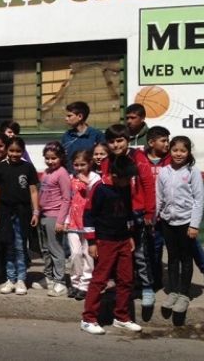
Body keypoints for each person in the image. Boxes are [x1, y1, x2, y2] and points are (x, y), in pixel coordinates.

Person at [81, 156, 142, 335]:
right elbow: (89, 216)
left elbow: (128, 212)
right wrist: (92, 242)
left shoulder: (125, 187)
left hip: (123, 240)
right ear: (114, 175)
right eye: (125, 178)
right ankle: (88, 318)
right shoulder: (100, 189)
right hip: (105, 241)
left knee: (126, 279)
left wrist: (130, 235)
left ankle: (122, 317)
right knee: (100, 279)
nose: (128, 182)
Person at [100, 124, 157, 310]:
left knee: (140, 253)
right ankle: (126, 286)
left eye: (120, 140)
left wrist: (149, 211)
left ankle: (147, 287)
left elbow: (148, 184)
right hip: (118, 215)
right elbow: (107, 188)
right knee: (122, 255)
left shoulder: (137, 157)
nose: (116, 145)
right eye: (111, 141)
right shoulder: (106, 162)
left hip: (138, 213)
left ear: (127, 140)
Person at [156, 136, 204, 320]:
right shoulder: (164, 172)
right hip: (168, 222)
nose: (178, 154)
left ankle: (184, 294)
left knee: (186, 258)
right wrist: (156, 218)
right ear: (170, 151)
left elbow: (199, 200)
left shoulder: (193, 172)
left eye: (182, 151)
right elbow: (159, 197)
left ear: (188, 152)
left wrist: (194, 225)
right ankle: (173, 292)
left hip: (186, 223)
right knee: (172, 257)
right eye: (175, 150)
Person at [0, 136, 38, 296]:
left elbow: (33, 191)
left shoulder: (28, 168)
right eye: (11, 150)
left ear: (22, 151)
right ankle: (10, 279)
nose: (14, 154)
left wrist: (36, 211)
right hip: (4, 212)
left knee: (20, 245)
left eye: (18, 151)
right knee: (8, 245)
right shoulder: (0, 168)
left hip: (23, 212)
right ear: (6, 151)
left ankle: (21, 279)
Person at [35, 141, 72, 297]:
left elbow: (66, 199)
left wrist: (60, 221)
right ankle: (49, 278)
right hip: (44, 215)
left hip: (54, 216)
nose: (50, 161)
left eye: (54, 158)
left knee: (56, 249)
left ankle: (60, 282)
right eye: (47, 158)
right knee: (45, 249)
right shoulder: (46, 172)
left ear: (61, 158)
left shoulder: (62, 173)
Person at [65, 150, 100, 301]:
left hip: (89, 223)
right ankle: (74, 282)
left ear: (90, 163)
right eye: (76, 165)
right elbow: (68, 199)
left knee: (88, 255)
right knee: (75, 254)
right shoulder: (71, 177)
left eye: (82, 164)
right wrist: (66, 220)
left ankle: (85, 285)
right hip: (73, 221)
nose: (79, 168)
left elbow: (98, 194)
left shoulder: (95, 177)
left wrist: (87, 183)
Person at [60, 101, 105, 173]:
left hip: (91, 178)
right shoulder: (66, 136)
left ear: (80, 116)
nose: (66, 118)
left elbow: (104, 158)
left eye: (69, 116)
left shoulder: (96, 135)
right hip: (71, 178)